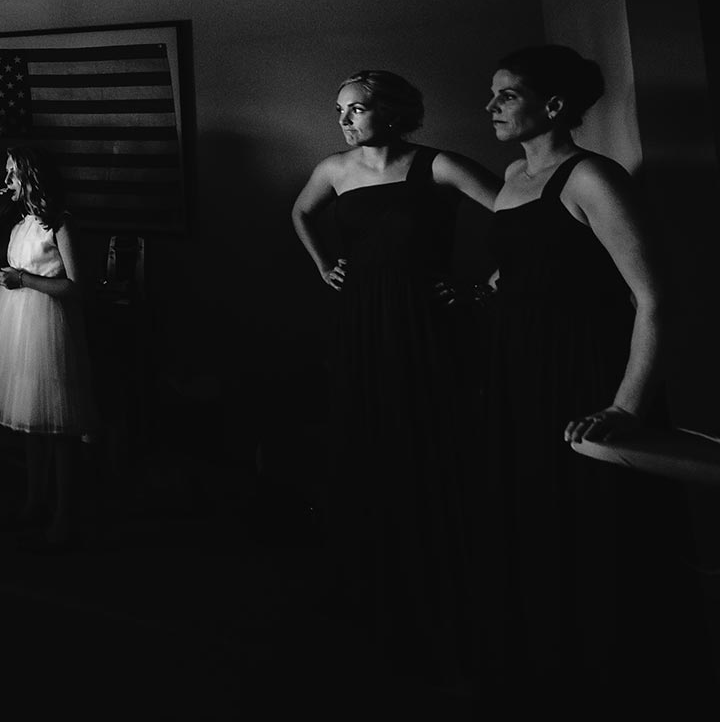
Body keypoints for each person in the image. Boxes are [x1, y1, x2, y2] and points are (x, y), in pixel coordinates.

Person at [474, 45, 709, 706]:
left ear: (553, 106)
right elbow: (534, 262)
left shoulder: (591, 178)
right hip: (518, 372)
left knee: (595, 535)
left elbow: (656, 300)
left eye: (507, 95)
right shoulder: (512, 176)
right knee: (534, 526)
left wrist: (627, 408)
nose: (490, 107)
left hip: (580, 372)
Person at [288, 69, 500, 690]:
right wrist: (324, 265)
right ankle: (367, 571)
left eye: (355, 109)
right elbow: (301, 212)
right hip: (359, 318)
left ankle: (435, 580)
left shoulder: (438, 166)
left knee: (427, 430)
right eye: (339, 111)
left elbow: (520, 219)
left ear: (393, 111)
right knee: (363, 430)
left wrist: (481, 287)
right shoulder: (334, 169)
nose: (344, 120)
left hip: (423, 320)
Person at [0, 147, 100, 552]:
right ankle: (35, 501)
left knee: (58, 427)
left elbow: (77, 288)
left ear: (31, 176)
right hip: (15, 330)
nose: (7, 182)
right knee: (31, 420)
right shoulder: (19, 222)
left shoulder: (58, 223)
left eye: (12, 174)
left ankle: (64, 513)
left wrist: (23, 280)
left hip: (48, 329)